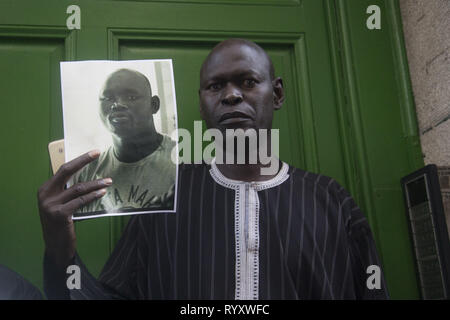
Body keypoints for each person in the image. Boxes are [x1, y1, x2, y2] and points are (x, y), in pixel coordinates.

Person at [38, 39, 389, 299]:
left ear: (277, 94)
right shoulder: (167, 195)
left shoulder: (331, 200)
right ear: (203, 104)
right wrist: (59, 247)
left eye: (248, 82)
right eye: (216, 86)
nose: (232, 95)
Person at [70, 68, 176, 217]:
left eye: (131, 97)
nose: (117, 104)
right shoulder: (86, 173)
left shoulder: (181, 159)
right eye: (108, 98)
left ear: (154, 105)